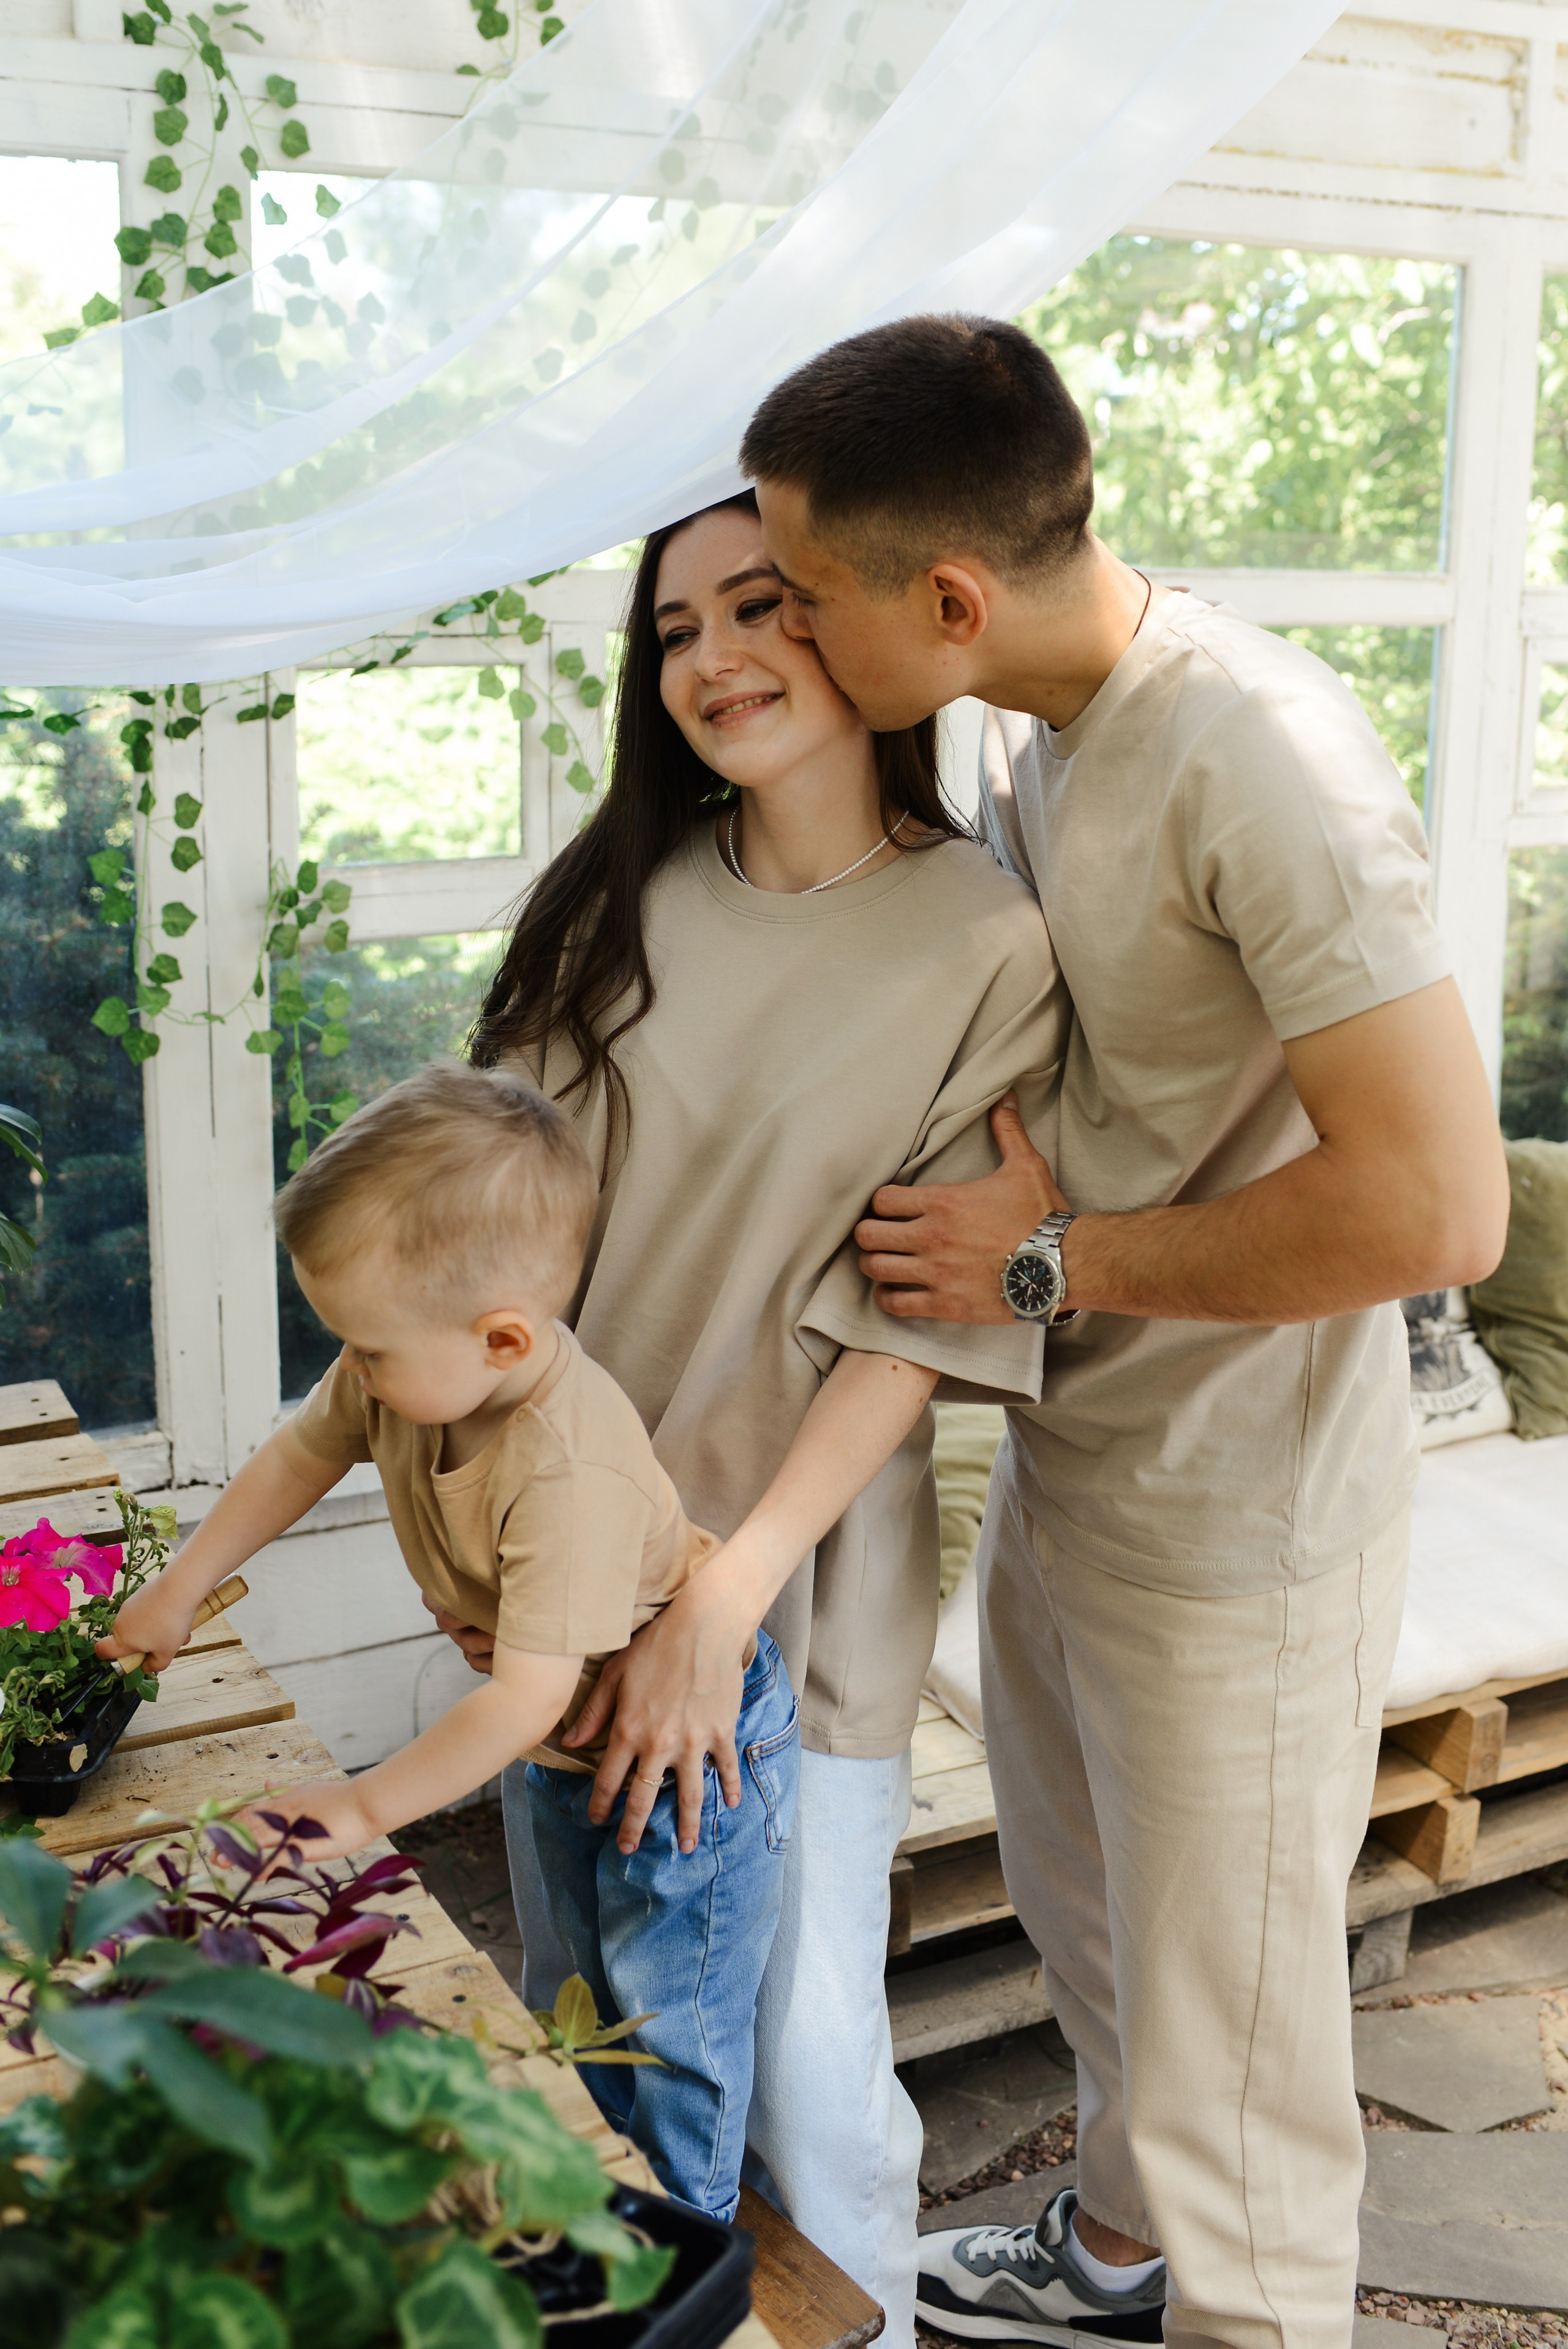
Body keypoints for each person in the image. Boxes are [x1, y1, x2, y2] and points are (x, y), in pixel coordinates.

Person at [739, 316, 1510, 2349]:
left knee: (1242, 2066)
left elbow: (1443, 1203)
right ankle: (1110, 2262)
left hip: (1238, 1518)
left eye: (807, 598)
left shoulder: (1269, 758)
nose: (791, 638)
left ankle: (1232, 2299)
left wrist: (1046, 1263)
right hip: (1083, 1466)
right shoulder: (1026, 721)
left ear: (952, 595)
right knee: (1108, 1955)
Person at [453, 486, 1066, 2343]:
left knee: (804, 2065)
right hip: (571, 1574)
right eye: (672, 632)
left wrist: (722, 1604)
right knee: (589, 2037)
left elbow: (922, 1317)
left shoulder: (988, 941)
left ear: (864, 623)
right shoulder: (620, 897)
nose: (713, 659)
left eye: (758, 609)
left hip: (791, 1589)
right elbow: (489, 1245)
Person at [96, 1061, 798, 2222]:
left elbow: (522, 1700)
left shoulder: (565, 1464)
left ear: (504, 1337)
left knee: (673, 2031)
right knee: (574, 1991)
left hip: (689, 1772)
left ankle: (681, 2249)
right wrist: (181, 1584)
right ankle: (586, 2200)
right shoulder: (403, 1369)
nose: (351, 1366)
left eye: (366, 1346)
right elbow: (297, 1455)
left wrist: (365, 1809)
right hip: (568, 1739)